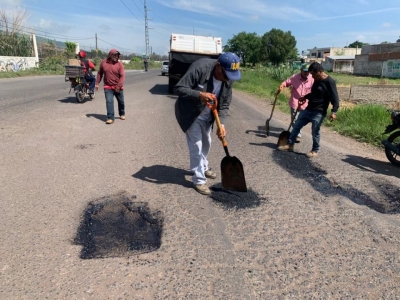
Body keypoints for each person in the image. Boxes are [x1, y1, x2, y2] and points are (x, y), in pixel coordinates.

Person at [174, 52, 241, 195]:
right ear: (218, 66)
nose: (228, 79)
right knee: (197, 146)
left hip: (208, 116)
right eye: (226, 75)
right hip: (191, 113)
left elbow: (224, 104)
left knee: (207, 143)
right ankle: (199, 180)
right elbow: (178, 88)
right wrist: (199, 95)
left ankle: (203, 167)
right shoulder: (200, 68)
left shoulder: (228, 78)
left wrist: (221, 125)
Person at [277, 61, 339, 158]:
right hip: (308, 109)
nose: (312, 77)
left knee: (315, 131)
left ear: (320, 71)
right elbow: (314, 93)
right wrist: (305, 97)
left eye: (313, 74)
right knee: (297, 125)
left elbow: (335, 98)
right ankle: (289, 145)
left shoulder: (329, 82)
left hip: (319, 111)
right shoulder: (316, 80)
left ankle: (315, 150)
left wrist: (334, 111)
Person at [277, 63, 314, 142]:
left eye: (308, 71)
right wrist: (282, 85)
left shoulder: (312, 78)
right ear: (301, 70)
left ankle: (296, 132)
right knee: (294, 119)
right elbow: (286, 82)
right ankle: (298, 134)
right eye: (304, 71)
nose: (306, 73)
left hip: (306, 102)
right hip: (295, 101)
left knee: (301, 119)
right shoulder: (295, 77)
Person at [95, 49, 125, 124]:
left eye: (117, 55)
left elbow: (122, 76)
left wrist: (118, 86)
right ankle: (110, 117)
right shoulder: (103, 63)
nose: (116, 57)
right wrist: (97, 83)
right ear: (110, 55)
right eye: (114, 55)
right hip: (108, 87)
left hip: (118, 87)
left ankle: (122, 113)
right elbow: (100, 73)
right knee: (109, 101)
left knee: (121, 102)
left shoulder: (119, 64)